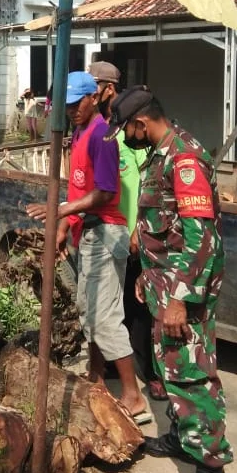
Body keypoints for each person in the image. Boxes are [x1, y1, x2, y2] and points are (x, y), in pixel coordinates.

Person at [106, 86, 237, 473]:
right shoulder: (161, 154)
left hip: (185, 291)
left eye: (126, 129)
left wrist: (179, 298)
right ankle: (184, 437)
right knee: (170, 366)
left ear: (141, 123)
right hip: (166, 284)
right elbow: (163, 228)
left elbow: (202, 238)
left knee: (192, 377)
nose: (126, 137)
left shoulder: (182, 159)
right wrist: (148, 272)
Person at [26, 71, 148, 422]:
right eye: (64, 107)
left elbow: (106, 192)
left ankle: (132, 395)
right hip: (88, 231)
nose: (70, 112)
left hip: (107, 232)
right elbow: (78, 190)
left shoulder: (103, 136)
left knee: (104, 316)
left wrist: (61, 211)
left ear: (93, 97)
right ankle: (96, 375)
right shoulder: (79, 133)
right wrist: (66, 225)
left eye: (75, 105)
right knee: (89, 308)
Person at [90, 62, 167, 403]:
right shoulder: (107, 128)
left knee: (142, 307)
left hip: (135, 230)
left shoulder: (135, 129)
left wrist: (138, 227)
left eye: (95, 86)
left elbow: (144, 184)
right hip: (112, 230)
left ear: (107, 87)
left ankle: (152, 373)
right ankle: (112, 365)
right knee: (113, 301)